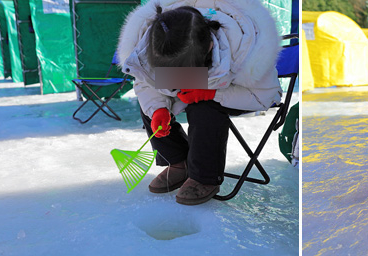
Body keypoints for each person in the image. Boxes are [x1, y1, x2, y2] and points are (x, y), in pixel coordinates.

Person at [117, 0, 281, 205]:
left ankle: (204, 177)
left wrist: (211, 94)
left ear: (210, 46)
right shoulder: (150, 39)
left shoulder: (247, 47)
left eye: (183, 71)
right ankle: (178, 162)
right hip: (199, 73)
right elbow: (146, 83)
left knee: (204, 108)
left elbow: (265, 96)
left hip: (231, 90)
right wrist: (158, 108)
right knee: (150, 107)